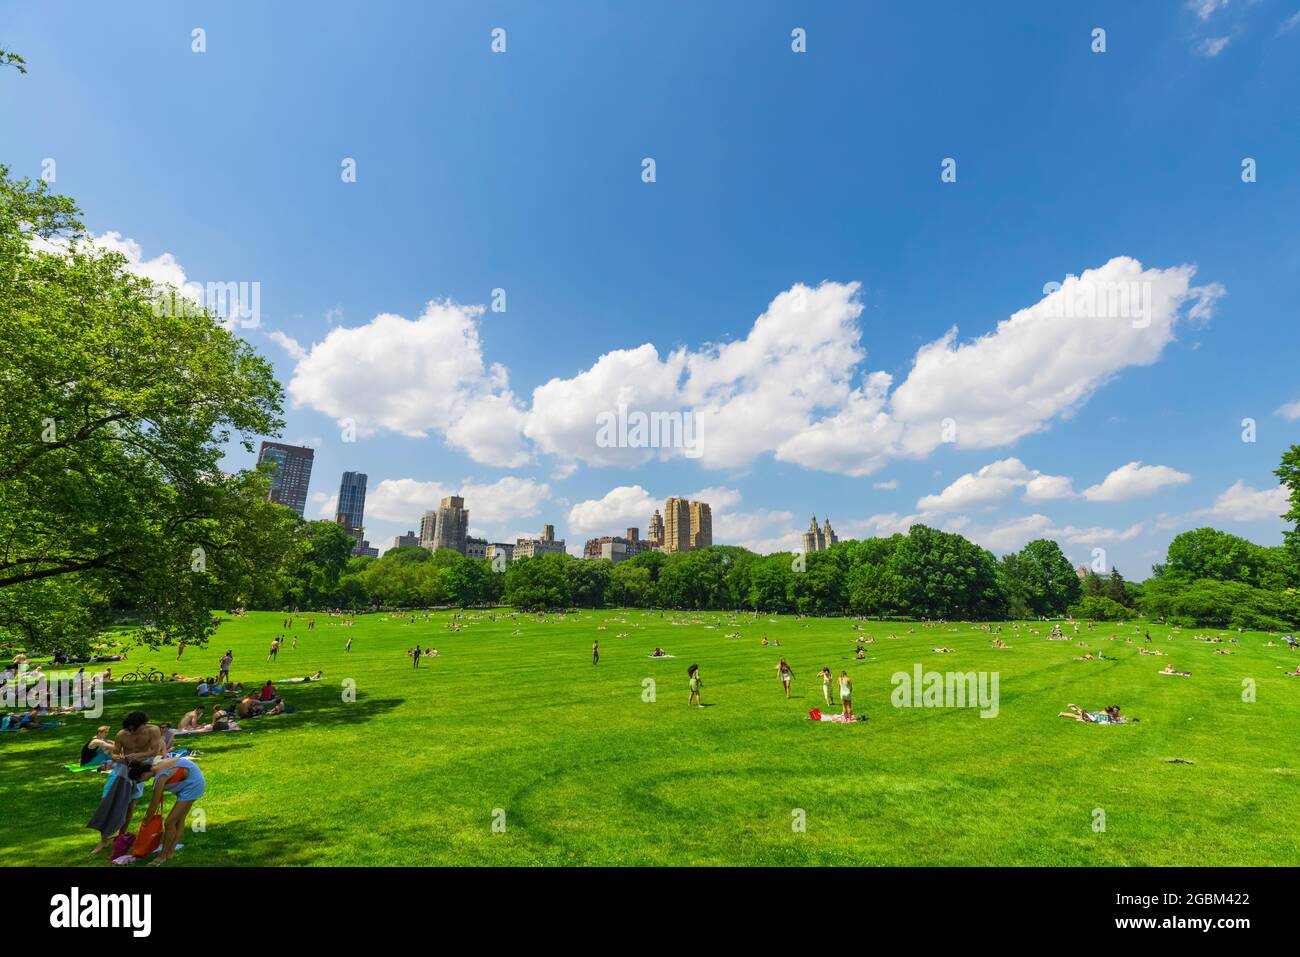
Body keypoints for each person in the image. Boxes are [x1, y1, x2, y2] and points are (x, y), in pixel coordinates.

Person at [128, 756, 206, 865]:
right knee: (179, 820)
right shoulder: (156, 766)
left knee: (169, 823)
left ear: (144, 775)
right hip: (190, 780)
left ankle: (163, 856)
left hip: (193, 784)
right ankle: (170, 853)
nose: (139, 783)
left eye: (138, 781)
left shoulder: (160, 777)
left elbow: (153, 805)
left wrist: (145, 823)